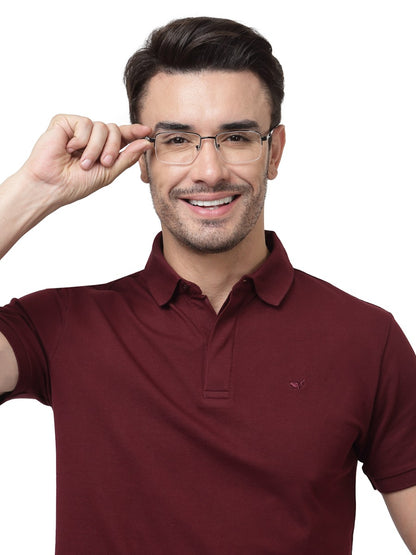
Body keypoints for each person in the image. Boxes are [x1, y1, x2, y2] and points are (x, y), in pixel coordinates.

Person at [0, 15, 415, 555]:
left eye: (237, 137)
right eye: (177, 140)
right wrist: (32, 189)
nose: (210, 171)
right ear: (142, 158)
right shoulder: (60, 326)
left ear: (275, 151)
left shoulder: (367, 339)